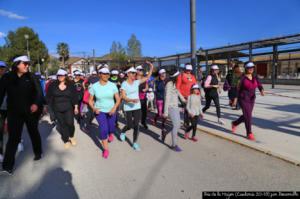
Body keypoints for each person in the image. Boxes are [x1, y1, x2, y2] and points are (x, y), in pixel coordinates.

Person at [0, 56, 44, 175]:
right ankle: (7, 167)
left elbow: (39, 93)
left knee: (33, 132)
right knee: (13, 138)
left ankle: (38, 152)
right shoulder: (7, 77)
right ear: (17, 64)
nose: (27, 65)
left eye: (28, 63)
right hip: (14, 113)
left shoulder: (32, 76)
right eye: (25, 63)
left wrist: (36, 103)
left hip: (30, 112)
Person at [119, 61, 154, 151]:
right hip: (128, 107)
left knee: (136, 125)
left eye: (135, 72)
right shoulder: (124, 84)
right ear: (128, 74)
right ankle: (123, 132)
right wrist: (131, 100)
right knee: (130, 125)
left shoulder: (136, 82)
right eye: (133, 73)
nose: (135, 74)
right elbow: (123, 96)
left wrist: (151, 67)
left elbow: (147, 77)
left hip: (137, 107)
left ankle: (134, 143)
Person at [89, 67, 121, 158]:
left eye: (108, 74)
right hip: (100, 111)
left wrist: (114, 108)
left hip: (111, 110)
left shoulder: (112, 85)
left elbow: (118, 99)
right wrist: (94, 108)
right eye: (104, 73)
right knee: (103, 129)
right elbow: (90, 100)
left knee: (111, 127)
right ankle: (106, 149)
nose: (106, 75)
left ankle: (111, 133)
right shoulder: (94, 86)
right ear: (100, 74)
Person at [46, 69, 79, 149]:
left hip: (68, 107)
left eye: (62, 75)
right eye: (59, 75)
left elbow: (74, 96)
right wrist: (47, 107)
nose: (60, 77)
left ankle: (71, 136)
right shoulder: (52, 85)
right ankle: (66, 140)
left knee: (70, 123)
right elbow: (49, 97)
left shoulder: (70, 85)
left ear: (65, 76)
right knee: (62, 125)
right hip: (57, 108)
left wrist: (76, 107)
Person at [232, 62, 264, 141]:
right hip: (243, 98)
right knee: (248, 116)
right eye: (249, 68)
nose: (251, 69)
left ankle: (235, 123)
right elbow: (238, 89)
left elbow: (259, 85)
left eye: (252, 68)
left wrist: (261, 90)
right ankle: (249, 133)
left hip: (252, 98)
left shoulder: (255, 76)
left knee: (247, 115)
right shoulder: (242, 78)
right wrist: (235, 100)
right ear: (246, 68)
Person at [163, 69, 186, 152]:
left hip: (175, 106)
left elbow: (177, 91)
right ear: (175, 76)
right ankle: (174, 145)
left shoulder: (173, 83)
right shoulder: (169, 84)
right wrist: (165, 112)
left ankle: (165, 132)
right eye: (178, 75)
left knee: (178, 125)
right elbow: (167, 98)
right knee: (176, 126)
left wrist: (183, 100)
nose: (180, 76)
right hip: (171, 107)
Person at [136, 65, 149, 129]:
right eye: (140, 70)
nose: (141, 71)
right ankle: (136, 123)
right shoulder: (134, 78)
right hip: (136, 98)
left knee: (144, 111)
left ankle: (143, 122)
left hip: (143, 97)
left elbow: (147, 86)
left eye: (142, 70)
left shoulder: (144, 78)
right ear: (137, 71)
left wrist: (146, 89)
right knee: (137, 112)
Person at [0, 61, 8, 163]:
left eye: (2, 68)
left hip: (11, 108)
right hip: (1, 109)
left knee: (14, 128)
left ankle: (18, 141)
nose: (1, 69)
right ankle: (0, 153)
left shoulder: (9, 79)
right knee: (0, 131)